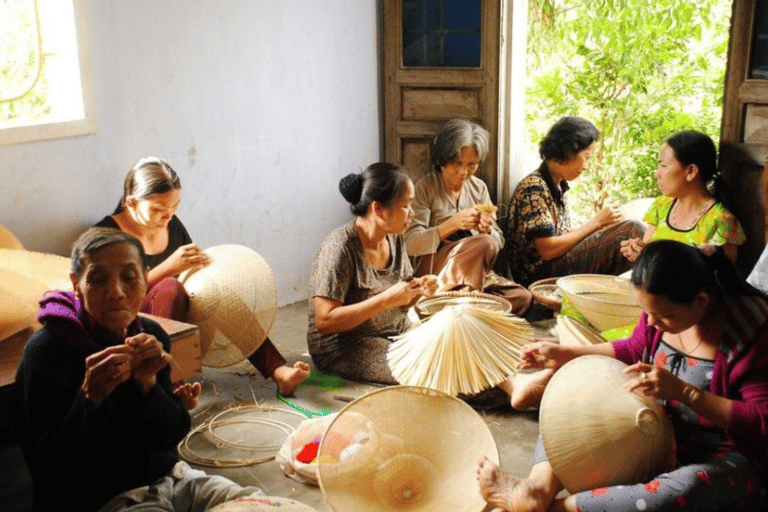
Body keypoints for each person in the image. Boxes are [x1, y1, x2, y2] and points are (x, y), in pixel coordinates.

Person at [477, 240, 768, 512]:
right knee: (574, 396)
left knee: (686, 489)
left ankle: (556, 509)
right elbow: (632, 348)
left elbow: (761, 421)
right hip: (654, 429)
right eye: (647, 313)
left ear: (701, 301)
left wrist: (685, 392)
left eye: (664, 317)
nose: (652, 323)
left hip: (724, 455)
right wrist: (562, 353)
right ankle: (537, 490)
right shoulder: (658, 307)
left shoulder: (751, 330)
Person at [15, 227, 270, 512]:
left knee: (259, 504)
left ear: (144, 278)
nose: (116, 292)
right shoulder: (49, 350)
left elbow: (170, 434)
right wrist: (90, 399)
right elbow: (49, 468)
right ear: (76, 284)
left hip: (170, 479)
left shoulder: (150, 335)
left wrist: (147, 385)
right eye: (98, 280)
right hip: (101, 496)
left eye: (129, 277)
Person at [95, 157, 308, 396]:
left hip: (172, 314)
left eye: (174, 207)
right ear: (131, 203)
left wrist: (205, 272)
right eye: (157, 209)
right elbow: (109, 298)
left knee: (219, 292)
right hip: (128, 323)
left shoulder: (170, 224)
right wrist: (168, 267)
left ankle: (278, 371)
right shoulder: (107, 235)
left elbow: (189, 273)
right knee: (170, 288)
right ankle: (169, 386)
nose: (168, 216)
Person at [308, 162, 438, 384]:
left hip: (392, 329)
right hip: (345, 344)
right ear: (378, 209)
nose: (412, 213)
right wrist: (387, 299)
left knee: (448, 343)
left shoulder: (394, 238)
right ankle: (508, 391)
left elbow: (402, 303)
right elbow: (325, 321)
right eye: (406, 205)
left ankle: (509, 382)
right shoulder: (340, 247)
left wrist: (416, 291)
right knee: (427, 370)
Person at [404, 119, 532, 316]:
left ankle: (464, 305)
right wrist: (450, 225)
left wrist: (487, 230)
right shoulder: (425, 188)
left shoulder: (478, 188)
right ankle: (463, 305)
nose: (464, 172)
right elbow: (410, 243)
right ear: (442, 160)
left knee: (522, 298)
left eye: (472, 164)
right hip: (437, 273)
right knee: (484, 244)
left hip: (475, 272)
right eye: (457, 164)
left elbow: (498, 241)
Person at [504, 116, 644, 286]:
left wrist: (605, 228)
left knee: (625, 236)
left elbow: (561, 235)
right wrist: (597, 223)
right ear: (568, 151)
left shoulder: (556, 184)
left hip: (554, 263)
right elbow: (547, 250)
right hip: (538, 274)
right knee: (632, 230)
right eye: (587, 157)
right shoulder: (534, 188)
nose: (586, 166)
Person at [621, 130, 745, 263]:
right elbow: (646, 264)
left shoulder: (722, 222)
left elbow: (722, 279)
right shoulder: (662, 206)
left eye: (663, 165)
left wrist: (655, 262)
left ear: (691, 171)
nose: (657, 173)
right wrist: (638, 254)